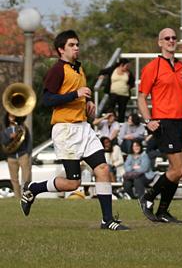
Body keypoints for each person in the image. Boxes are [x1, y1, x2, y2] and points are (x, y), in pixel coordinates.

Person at [20, 30, 129, 231]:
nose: (76, 48)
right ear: (61, 49)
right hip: (65, 130)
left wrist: (87, 102)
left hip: (83, 128)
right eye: (71, 45)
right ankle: (33, 189)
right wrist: (75, 94)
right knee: (73, 183)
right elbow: (46, 100)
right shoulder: (57, 70)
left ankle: (107, 220)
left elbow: (79, 94)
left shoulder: (78, 68)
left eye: (77, 44)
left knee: (103, 169)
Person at [137, 27, 182, 224]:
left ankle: (163, 212)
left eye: (173, 38)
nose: (171, 40)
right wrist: (148, 120)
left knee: (180, 171)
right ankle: (147, 197)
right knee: (178, 169)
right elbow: (141, 96)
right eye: (166, 38)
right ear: (160, 42)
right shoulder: (153, 66)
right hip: (164, 122)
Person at [1, 113, 32, 198]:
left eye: (14, 116)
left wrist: (28, 153)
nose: (12, 118)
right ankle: (17, 198)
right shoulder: (5, 131)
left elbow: (29, 141)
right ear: (8, 118)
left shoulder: (22, 128)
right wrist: (10, 137)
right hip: (11, 157)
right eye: (10, 116)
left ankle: (26, 196)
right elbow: (3, 142)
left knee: (26, 177)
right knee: (14, 179)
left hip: (23, 155)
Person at [98, 58, 135, 123]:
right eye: (126, 66)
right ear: (121, 65)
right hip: (113, 93)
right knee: (110, 108)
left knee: (122, 110)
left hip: (124, 94)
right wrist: (101, 75)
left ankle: (120, 123)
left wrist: (129, 86)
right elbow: (102, 71)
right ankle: (110, 121)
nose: (127, 67)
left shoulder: (128, 73)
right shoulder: (112, 69)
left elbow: (132, 82)